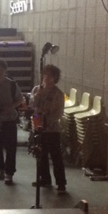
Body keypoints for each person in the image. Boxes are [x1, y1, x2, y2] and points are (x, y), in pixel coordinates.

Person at [31, 64, 67, 194]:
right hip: (38, 125)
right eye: (45, 74)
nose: (46, 77)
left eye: (49, 75)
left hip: (52, 129)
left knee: (56, 156)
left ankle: (61, 183)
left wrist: (47, 121)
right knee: (41, 155)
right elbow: (32, 105)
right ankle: (44, 178)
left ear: (54, 78)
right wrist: (38, 95)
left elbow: (59, 112)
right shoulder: (37, 89)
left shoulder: (58, 94)